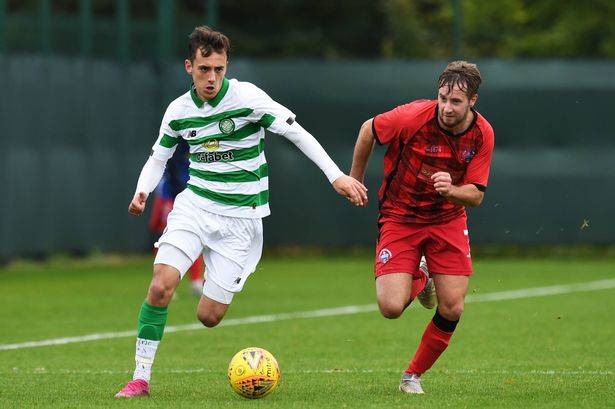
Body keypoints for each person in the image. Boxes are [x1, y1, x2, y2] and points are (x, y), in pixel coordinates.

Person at [115, 26, 367, 398]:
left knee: (208, 317)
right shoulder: (178, 111)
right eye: (204, 69)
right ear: (189, 66)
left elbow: (297, 134)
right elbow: (159, 157)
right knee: (160, 285)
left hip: (242, 221)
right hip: (195, 206)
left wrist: (336, 177)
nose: (212, 77)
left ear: (226, 66)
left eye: (218, 69)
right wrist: (141, 192)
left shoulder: (248, 98)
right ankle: (140, 378)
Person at [349, 61, 494, 394]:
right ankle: (422, 275)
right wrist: (353, 180)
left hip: (447, 219)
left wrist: (452, 190)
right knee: (390, 308)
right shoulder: (412, 117)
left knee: (453, 305)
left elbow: (475, 195)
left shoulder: (482, 133)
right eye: (442, 98)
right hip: (400, 217)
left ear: (472, 101)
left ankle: (412, 376)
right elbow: (368, 130)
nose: (446, 107)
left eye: (455, 101)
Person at [148, 139, 205, 295]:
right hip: (170, 194)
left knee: (194, 235)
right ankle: (161, 280)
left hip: (193, 192)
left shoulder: (202, 135)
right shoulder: (176, 135)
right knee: (165, 236)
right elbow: (167, 164)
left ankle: (196, 281)